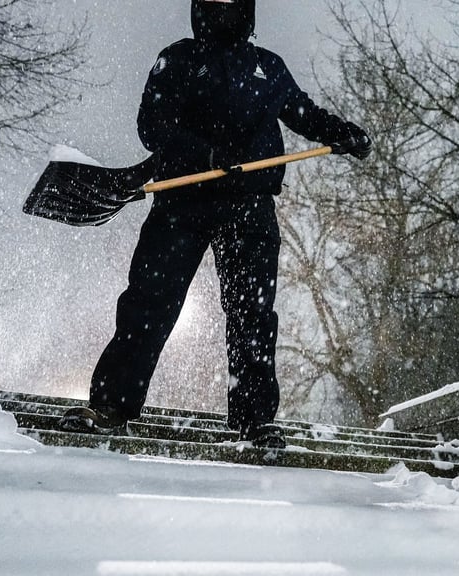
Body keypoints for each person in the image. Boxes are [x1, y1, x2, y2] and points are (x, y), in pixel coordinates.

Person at [58, 0, 371, 449]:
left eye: (233, 4)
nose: (224, 11)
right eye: (214, 3)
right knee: (149, 303)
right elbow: (153, 124)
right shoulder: (178, 58)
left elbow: (302, 112)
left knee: (253, 315)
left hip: (250, 207)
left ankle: (254, 421)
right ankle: (110, 407)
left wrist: (341, 133)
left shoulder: (268, 67)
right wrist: (205, 154)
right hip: (182, 200)